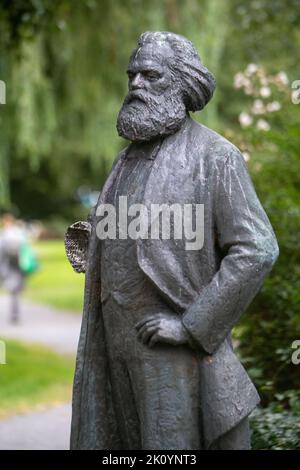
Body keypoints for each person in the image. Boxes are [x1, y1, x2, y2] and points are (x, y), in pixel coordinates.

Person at [65, 32, 279, 450]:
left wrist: (190, 326)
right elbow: (145, 234)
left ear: (183, 84)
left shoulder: (215, 157)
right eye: (132, 75)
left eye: (151, 75)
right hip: (113, 342)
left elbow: (257, 249)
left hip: (171, 352)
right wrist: (97, 239)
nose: (136, 85)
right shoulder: (124, 158)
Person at [0, 214, 26, 323]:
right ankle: (14, 314)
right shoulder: (19, 234)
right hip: (18, 266)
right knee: (15, 291)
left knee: (13, 291)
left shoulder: (4, 235)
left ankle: (14, 315)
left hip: (9, 267)